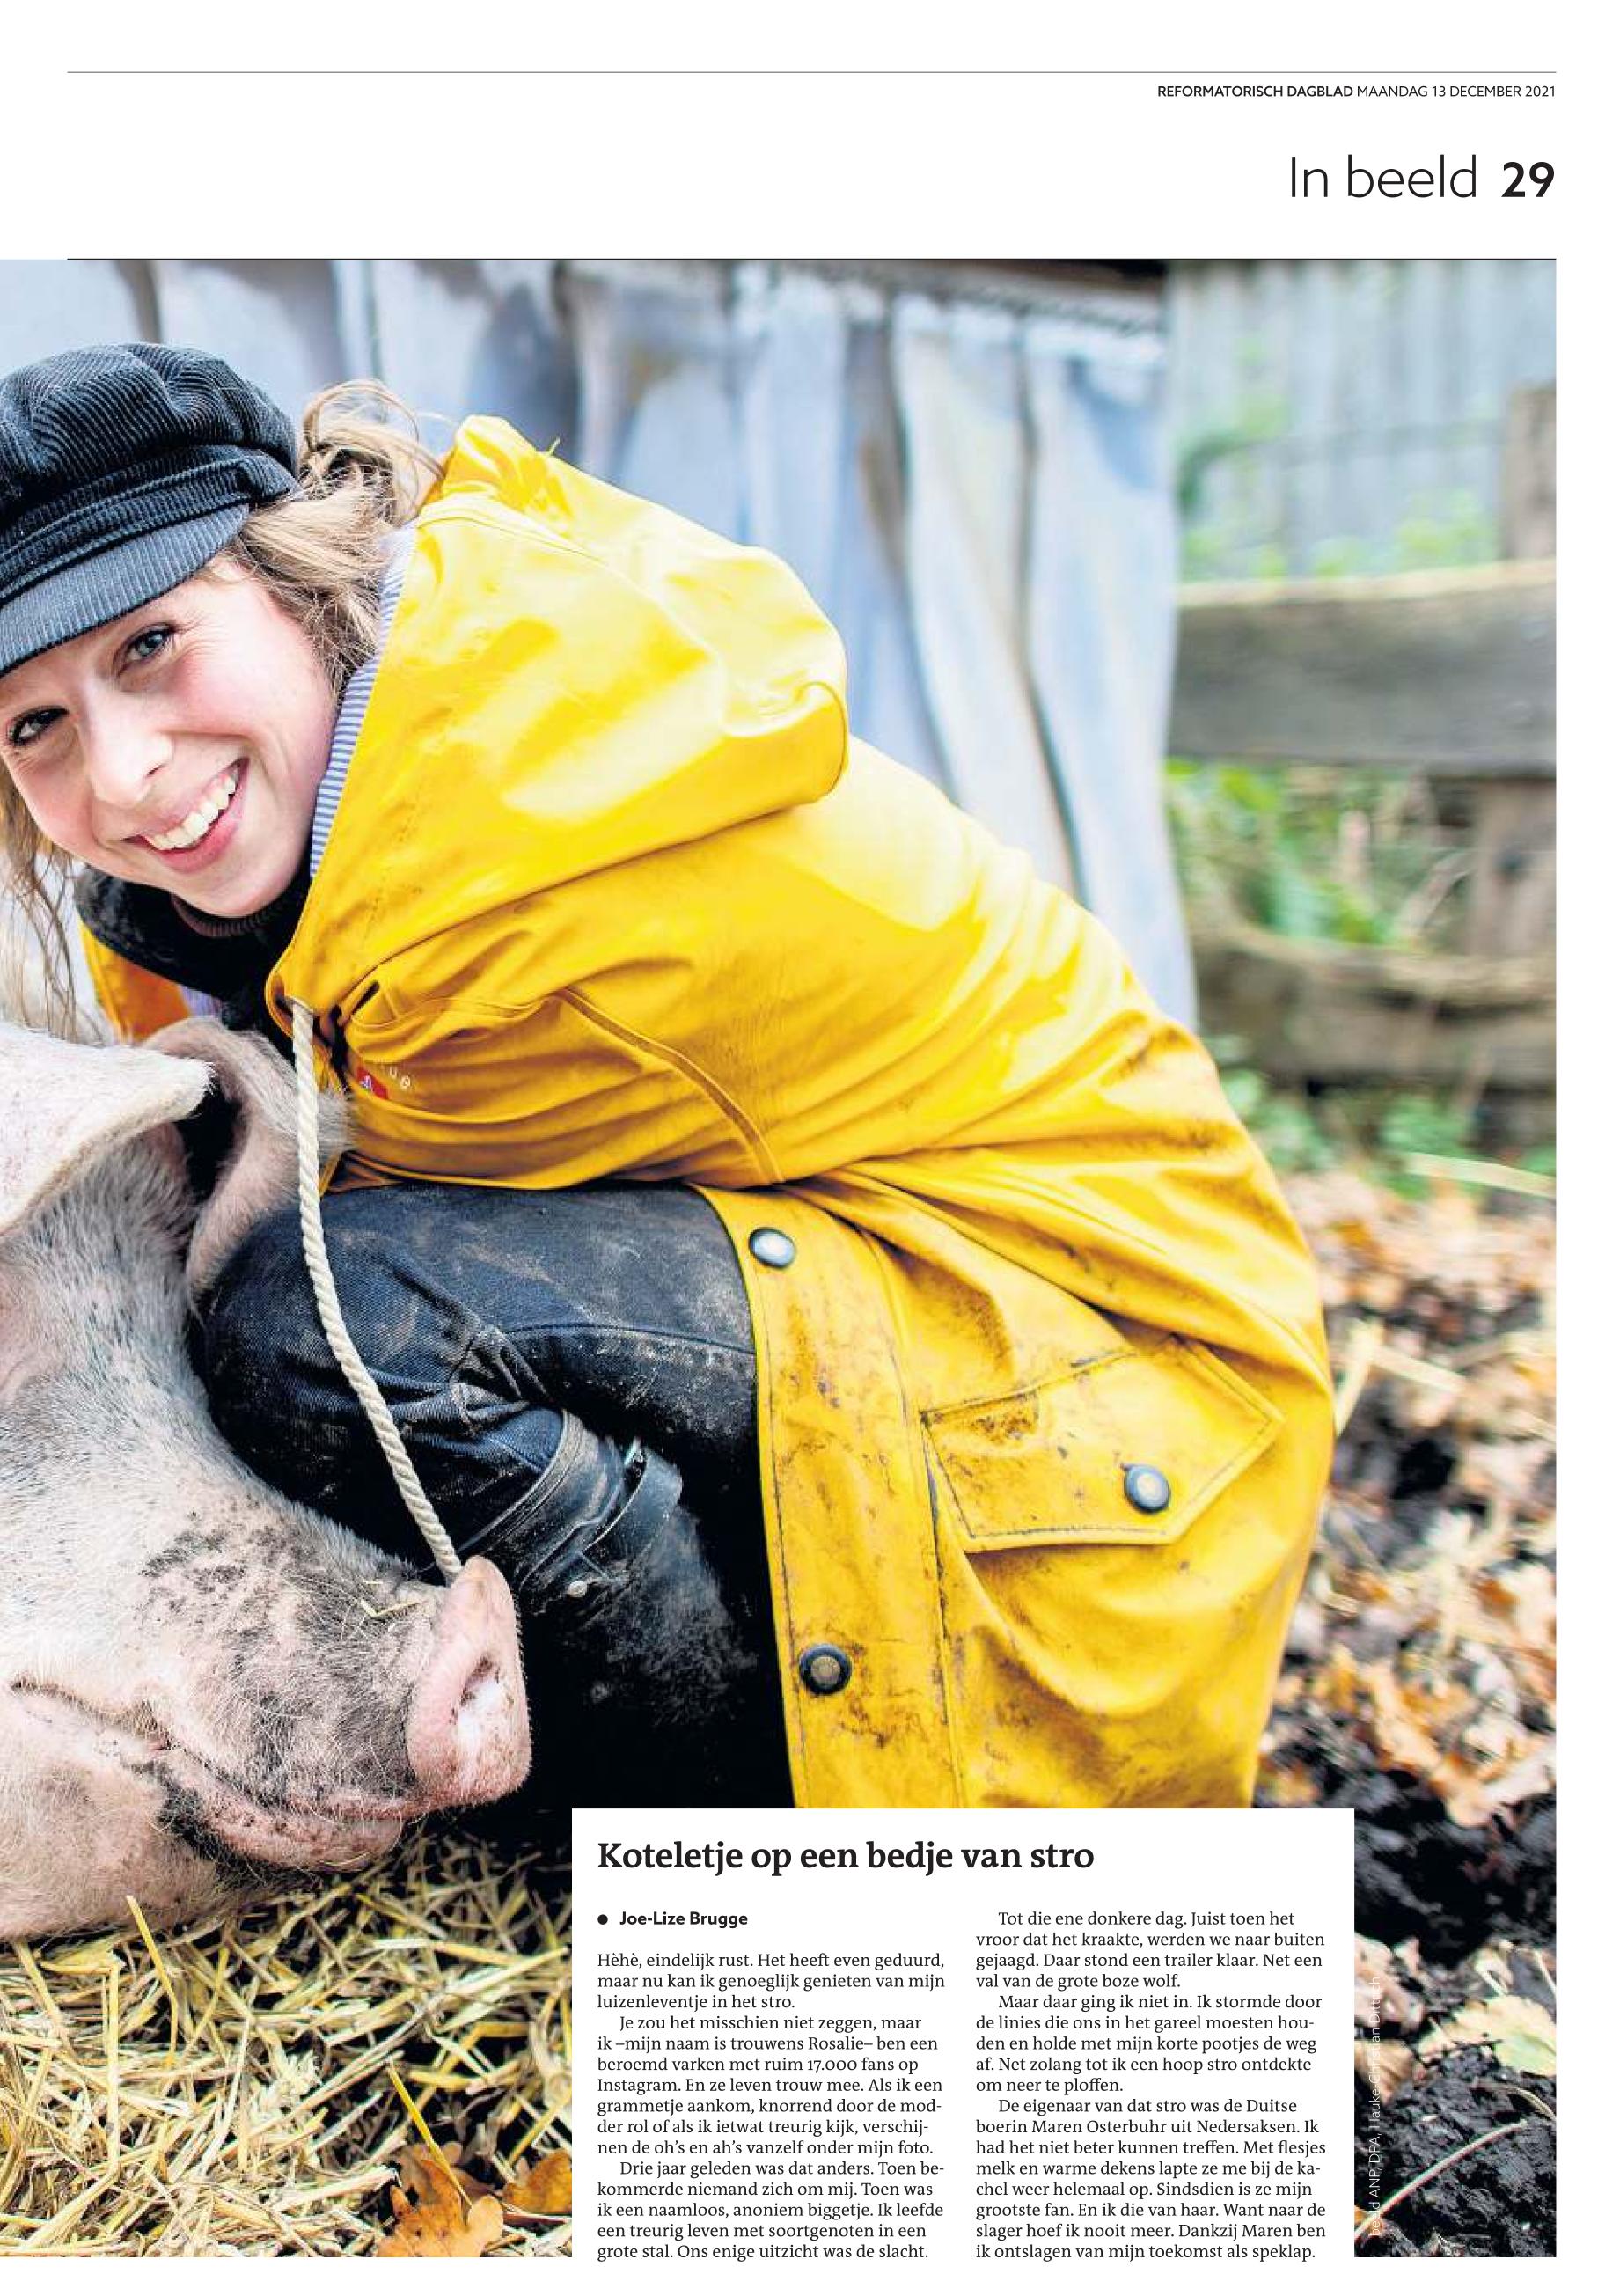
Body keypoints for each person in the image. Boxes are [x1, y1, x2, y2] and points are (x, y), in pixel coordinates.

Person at [0, 341, 1334, 1815]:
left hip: (1111, 1381)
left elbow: (278, 1232)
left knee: (327, 1334)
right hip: (930, 1273)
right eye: (34, 724)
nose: (121, 774)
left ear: (293, 574)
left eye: (151, 645)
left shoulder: (506, 881)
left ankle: (728, 1816)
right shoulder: (378, 746)